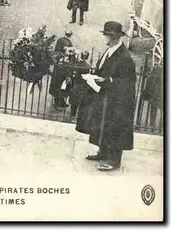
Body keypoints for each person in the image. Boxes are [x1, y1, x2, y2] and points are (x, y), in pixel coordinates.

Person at [76, 21, 136, 172]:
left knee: (115, 128)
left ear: (114, 37)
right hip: (105, 97)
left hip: (117, 101)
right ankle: (102, 153)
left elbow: (128, 83)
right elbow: (103, 70)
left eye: (106, 35)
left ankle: (114, 161)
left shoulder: (124, 57)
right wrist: (94, 77)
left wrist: (107, 80)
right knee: (102, 126)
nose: (104, 38)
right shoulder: (109, 51)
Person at [49, 30, 73, 109]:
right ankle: (57, 104)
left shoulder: (61, 40)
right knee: (59, 84)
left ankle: (61, 102)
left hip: (63, 66)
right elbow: (58, 52)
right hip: (61, 66)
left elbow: (57, 51)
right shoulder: (65, 42)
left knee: (61, 84)